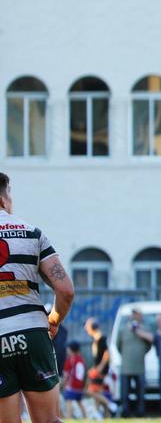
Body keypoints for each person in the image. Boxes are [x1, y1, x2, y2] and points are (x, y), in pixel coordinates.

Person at [0, 172, 76, 423]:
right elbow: (65, 290)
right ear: (4, 199)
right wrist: (53, 319)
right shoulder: (32, 233)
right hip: (33, 333)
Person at [118, 307, 150, 417]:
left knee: (140, 392)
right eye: (134, 314)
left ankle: (140, 412)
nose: (136, 316)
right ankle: (126, 412)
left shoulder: (145, 329)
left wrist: (140, 353)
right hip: (126, 366)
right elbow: (119, 346)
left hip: (140, 365)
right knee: (125, 392)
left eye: (138, 314)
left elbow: (148, 345)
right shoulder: (123, 329)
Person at [83, 318, 116, 418]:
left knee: (90, 391)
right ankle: (102, 415)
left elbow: (106, 354)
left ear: (92, 327)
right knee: (98, 393)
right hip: (97, 369)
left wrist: (99, 368)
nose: (86, 329)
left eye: (87, 327)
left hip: (101, 371)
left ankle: (110, 405)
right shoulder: (96, 338)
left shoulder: (101, 338)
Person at [61, 341, 88, 419]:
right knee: (79, 402)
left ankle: (68, 418)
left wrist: (62, 384)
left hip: (71, 386)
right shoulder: (81, 360)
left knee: (69, 401)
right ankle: (85, 417)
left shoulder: (69, 360)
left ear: (70, 350)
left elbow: (66, 375)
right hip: (80, 386)